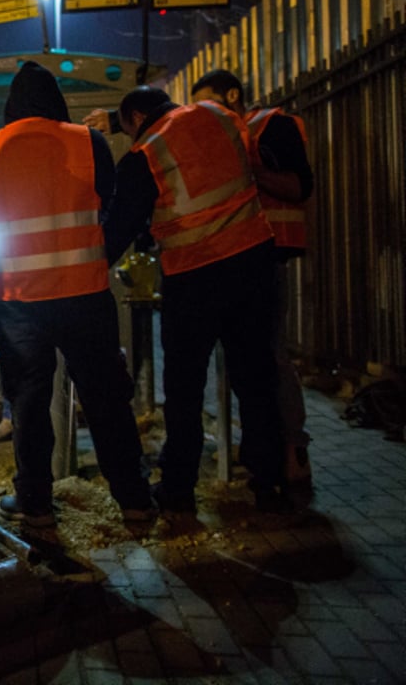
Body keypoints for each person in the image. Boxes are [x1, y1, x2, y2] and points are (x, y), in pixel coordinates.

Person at [0, 61, 154, 527]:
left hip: (16, 298)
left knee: (29, 402)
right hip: (83, 293)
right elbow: (107, 201)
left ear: (12, 106)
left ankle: (35, 504)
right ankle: (133, 499)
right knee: (106, 397)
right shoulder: (86, 142)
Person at [103, 86, 290, 514]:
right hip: (253, 262)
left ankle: (178, 490)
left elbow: (120, 229)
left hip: (195, 277)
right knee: (256, 378)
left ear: (134, 118)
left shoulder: (146, 152)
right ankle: (269, 483)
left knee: (185, 389)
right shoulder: (219, 114)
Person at [188, 69, 315, 491]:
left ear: (234, 95)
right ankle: (263, 451)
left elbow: (299, 186)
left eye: (213, 104)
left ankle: (291, 451)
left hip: (269, 256)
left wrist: (243, 170)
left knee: (271, 358)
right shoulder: (222, 136)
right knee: (248, 363)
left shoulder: (271, 126)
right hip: (235, 261)